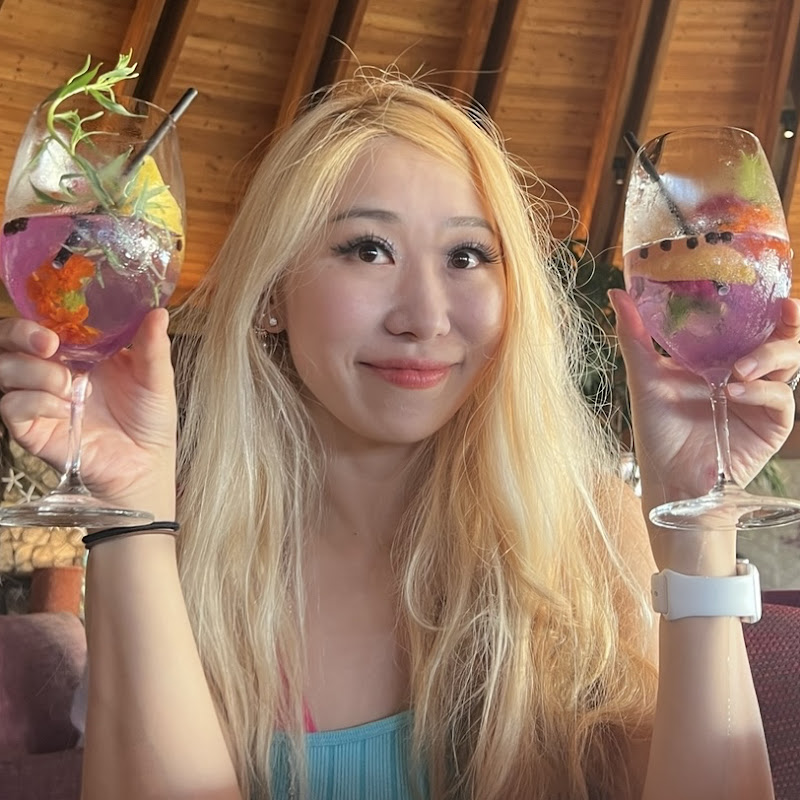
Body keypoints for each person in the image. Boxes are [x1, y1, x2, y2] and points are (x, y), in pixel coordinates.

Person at [0, 74, 795, 800]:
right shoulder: (187, 555)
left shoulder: (586, 534)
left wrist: (698, 523)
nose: (424, 316)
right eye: (367, 249)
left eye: (467, 255)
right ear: (273, 291)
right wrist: (132, 509)